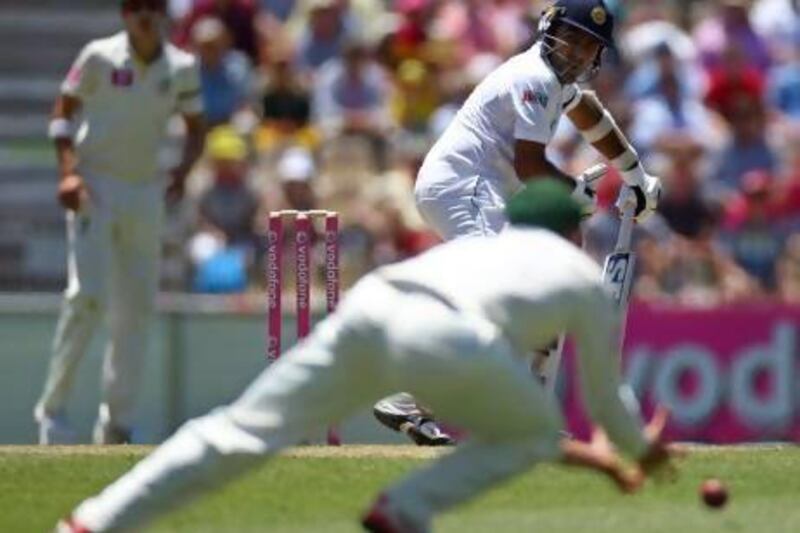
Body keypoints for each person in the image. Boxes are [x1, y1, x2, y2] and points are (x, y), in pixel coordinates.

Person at [55, 179, 676, 533]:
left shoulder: (476, 248)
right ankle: (404, 509)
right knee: (535, 430)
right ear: (575, 230)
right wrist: (640, 448)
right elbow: (602, 401)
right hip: (452, 335)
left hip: (370, 304)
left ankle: (90, 523)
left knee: (241, 432)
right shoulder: (577, 273)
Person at [374, 0, 663, 445]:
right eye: (573, 38)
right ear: (550, 28)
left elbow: (588, 114)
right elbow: (530, 165)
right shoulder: (534, 78)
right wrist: (571, 193)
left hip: (480, 191)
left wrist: (635, 174)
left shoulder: (555, 82)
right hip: (462, 187)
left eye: (589, 46)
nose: (578, 52)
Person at [35, 0, 205, 445]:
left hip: (144, 192)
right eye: (135, 7)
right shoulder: (99, 55)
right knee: (87, 297)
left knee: (137, 308)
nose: (144, 16)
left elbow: (197, 125)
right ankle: (52, 412)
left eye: (152, 7)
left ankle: (117, 424)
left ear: (164, 15)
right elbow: (61, 114)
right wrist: (69, 172)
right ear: (124, 13)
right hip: (95, 185)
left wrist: (183, 171)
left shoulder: (182, 66)